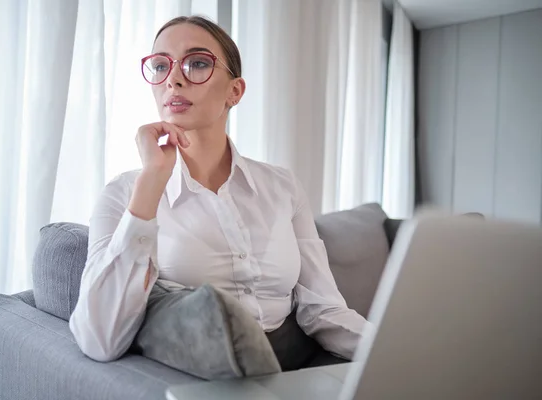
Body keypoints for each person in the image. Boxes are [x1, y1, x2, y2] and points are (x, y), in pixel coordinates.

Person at [69, 15, 369, 370]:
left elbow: (324, 309)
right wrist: (153, 179)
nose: (174, 79)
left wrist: (398, 354)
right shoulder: (124, 195)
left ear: (235, 91)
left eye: (197, 63)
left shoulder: (282, 186)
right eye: (161, 66)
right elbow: (99, 339)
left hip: (298, 372)